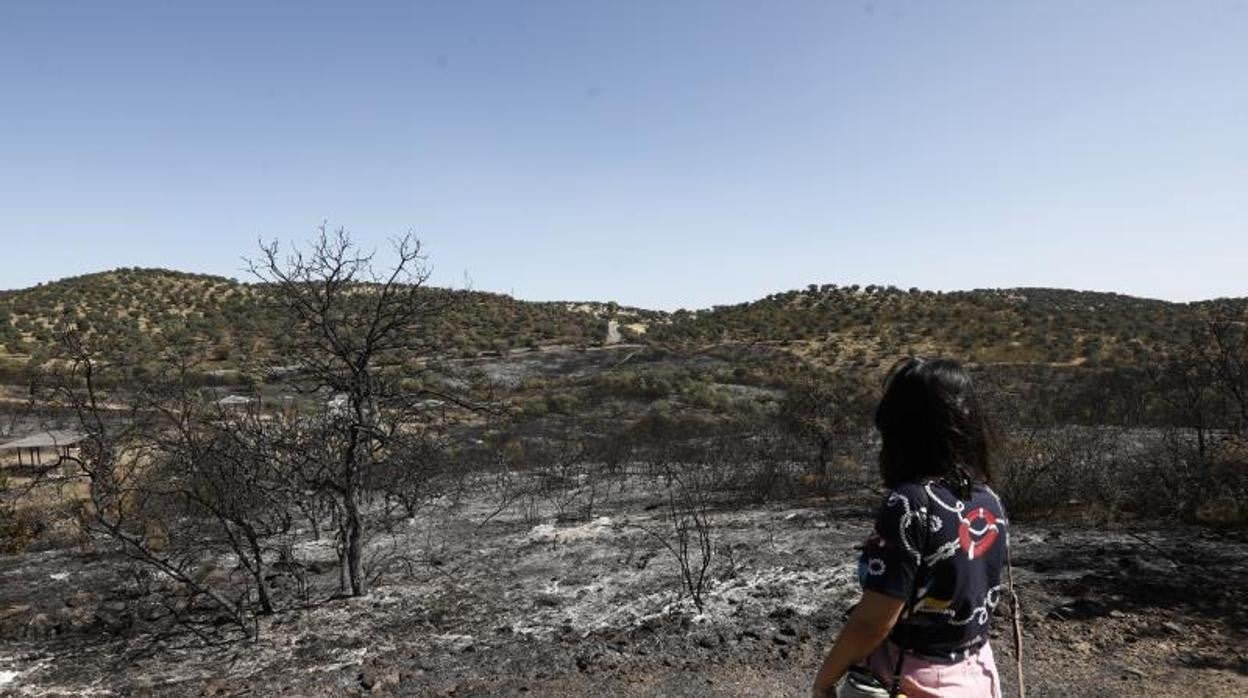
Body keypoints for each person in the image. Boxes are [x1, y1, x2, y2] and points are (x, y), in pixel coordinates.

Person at [812, 357, 1008, 698]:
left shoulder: (908, 503)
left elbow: (874, 622)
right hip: (977, 675)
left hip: (910, 681)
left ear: (900, 427)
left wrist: (824, 680)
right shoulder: (988, 498)